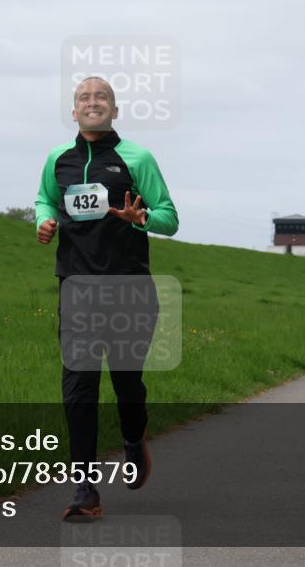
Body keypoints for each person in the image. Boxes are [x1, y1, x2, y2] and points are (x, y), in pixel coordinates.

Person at [36, 76, 179, 521]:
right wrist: (43, 221)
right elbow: (44, 199)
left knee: (126, 384)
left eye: (101, 97)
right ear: (73, 111)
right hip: (77, 289)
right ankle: (85, 488)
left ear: (114, 111)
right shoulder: (57, 159)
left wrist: (141, 219)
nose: (92, 102)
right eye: (83, 97)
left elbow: (169, 218)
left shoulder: (137, 158)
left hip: (128, 289)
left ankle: (135, 438)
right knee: (78, 387)